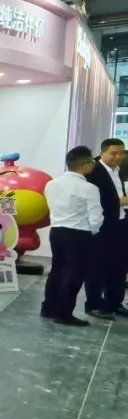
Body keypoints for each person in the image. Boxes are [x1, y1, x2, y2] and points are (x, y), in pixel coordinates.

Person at [42, 146, 103, 327]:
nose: (93, 165)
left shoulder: (51, 184)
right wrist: (92, 232)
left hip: (56, 231)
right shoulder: (89, 188)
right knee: (74, 274)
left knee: (57, 270)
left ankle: (48, 308)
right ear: (84, 166)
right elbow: (96, 217)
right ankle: (63, 313)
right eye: (92, 162)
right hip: (78, 234)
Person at [84, 138, 128, 320]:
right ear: (102, 153)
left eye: (121, 153)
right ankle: (93, 304)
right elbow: (93, 200)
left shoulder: (119, 171)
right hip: (101, 226)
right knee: (97, 266)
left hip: (120, 223)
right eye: (113, 153)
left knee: (119, 265)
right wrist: (120, 201)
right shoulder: (94, 172)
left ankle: (114, 302)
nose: (118, 156)